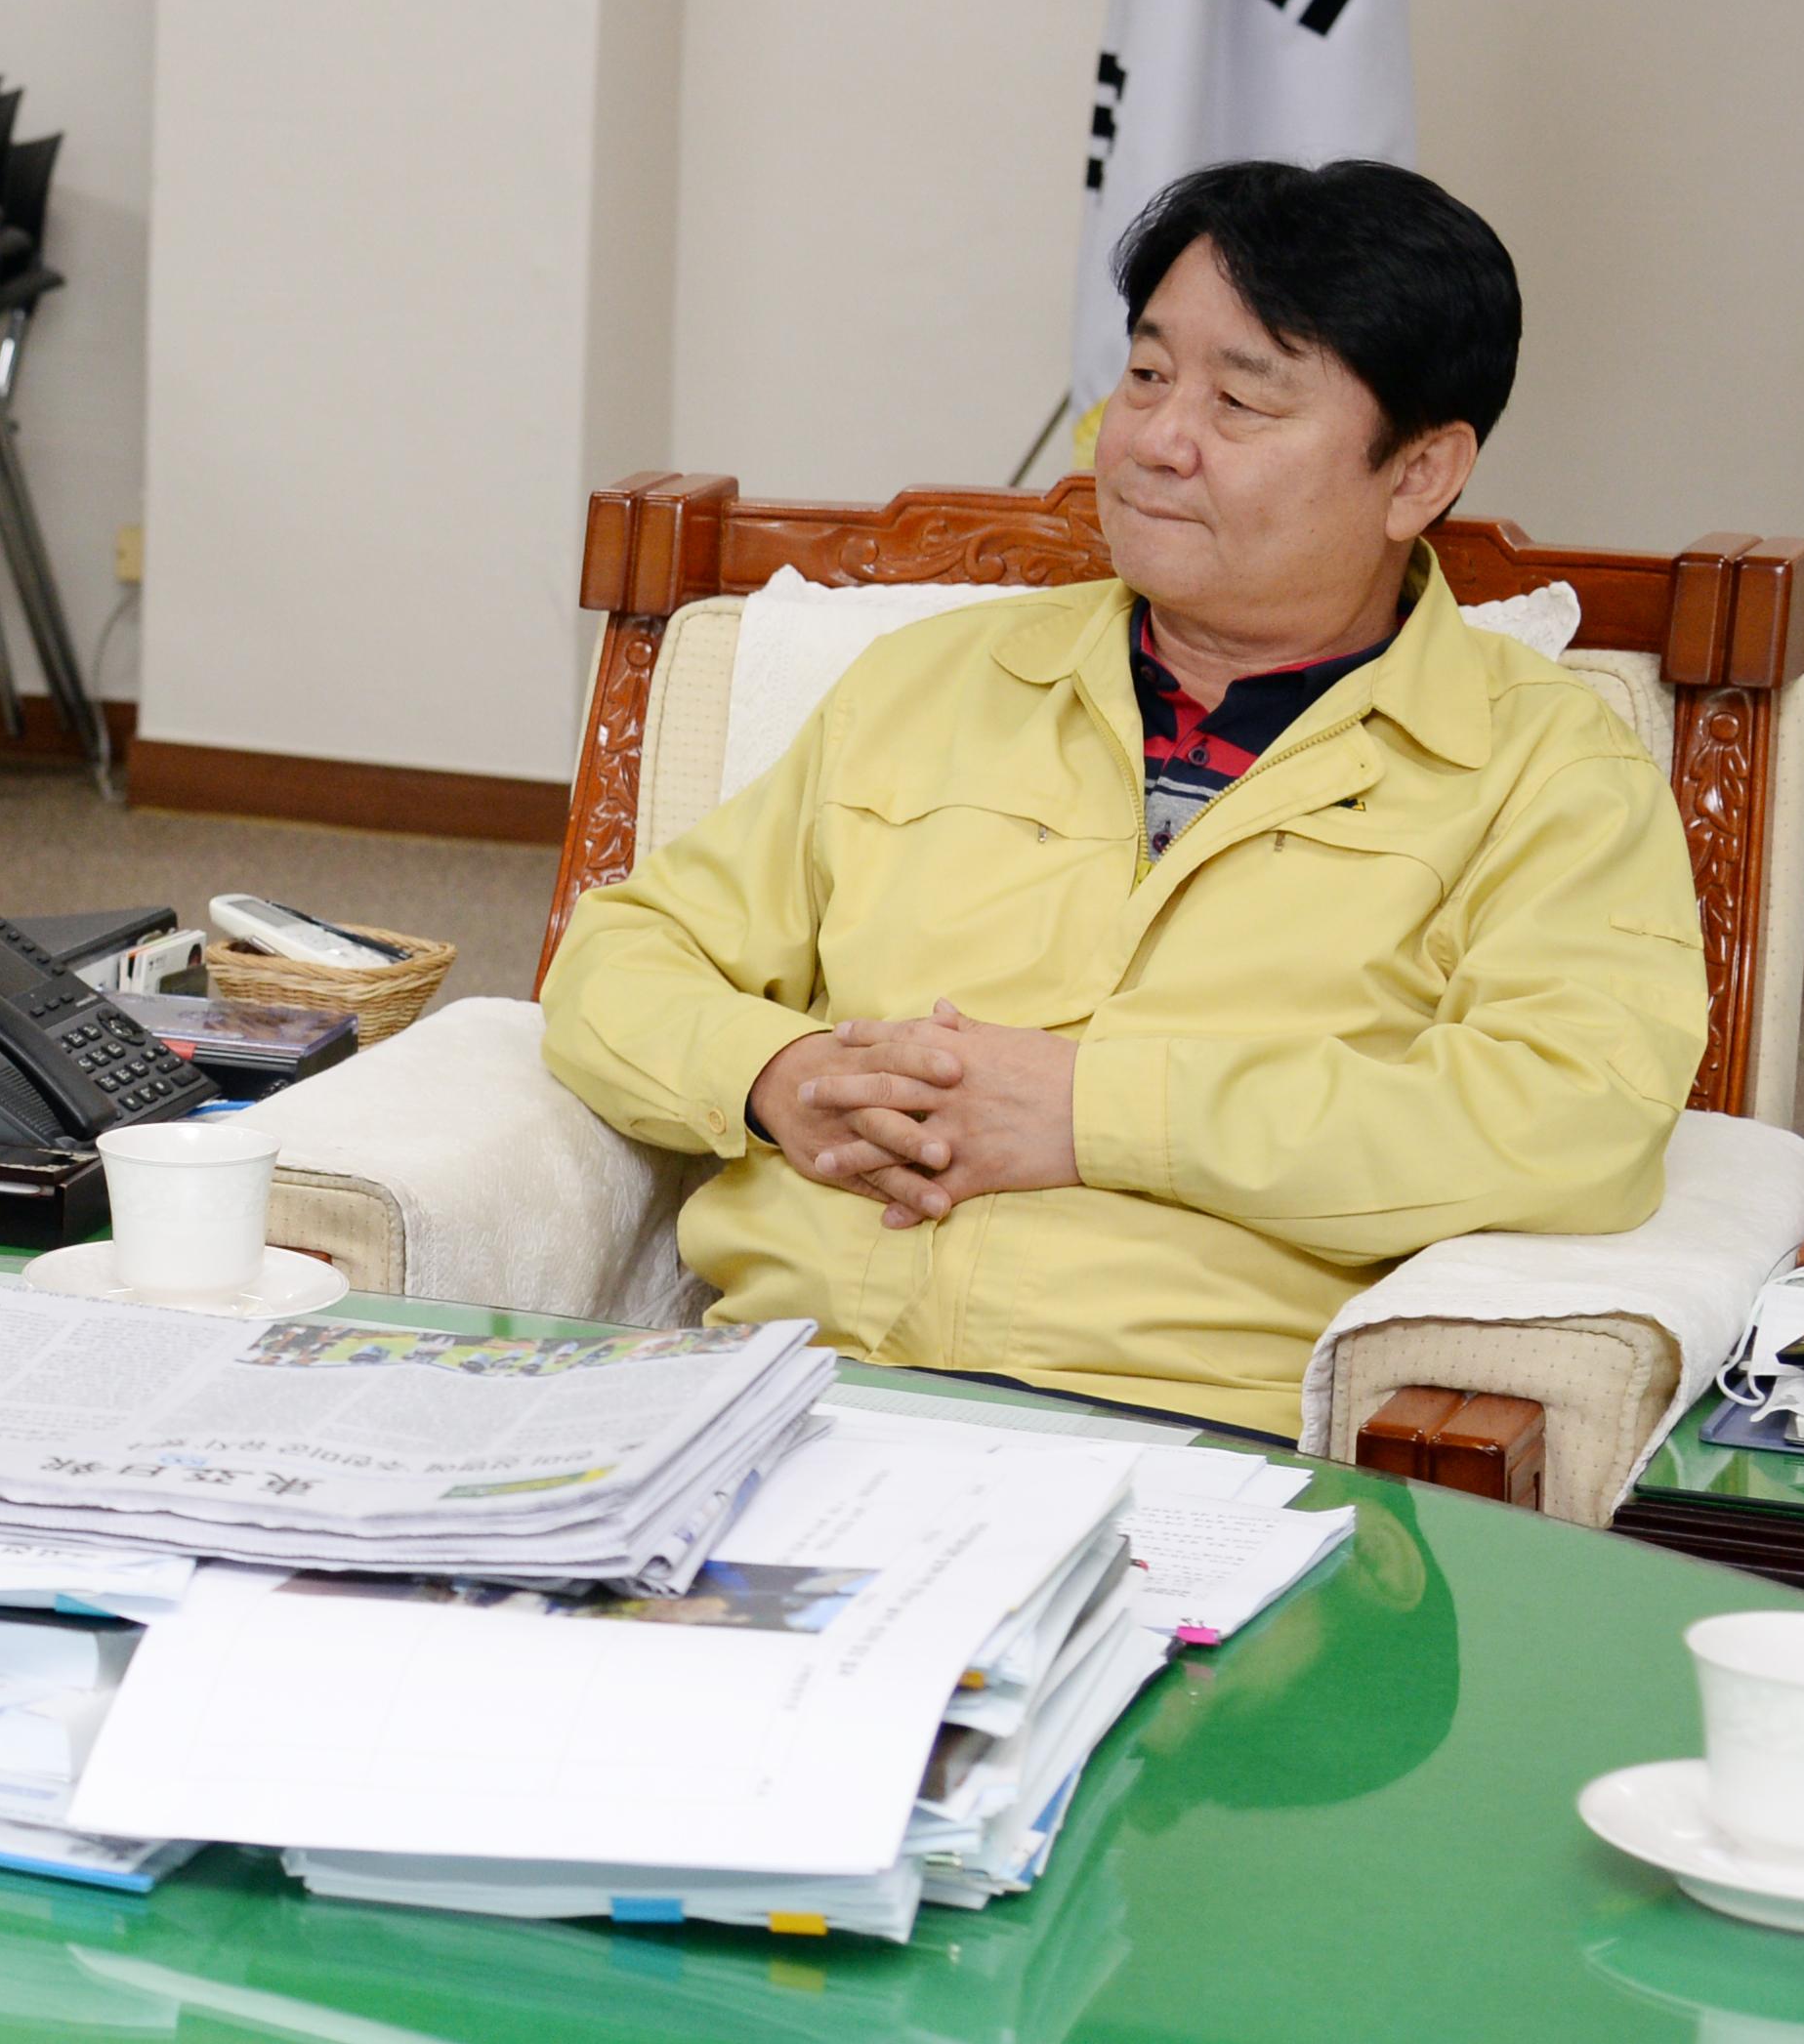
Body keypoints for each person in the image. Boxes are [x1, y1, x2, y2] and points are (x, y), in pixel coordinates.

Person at [539, 158, 1705, 1438]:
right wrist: (776, 1071)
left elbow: (1574, 1116)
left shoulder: (1543, 767)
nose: (1154, 439)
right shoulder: (935, 682)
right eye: (1147, 375)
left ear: (1419, 474)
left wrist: (1101, 1117)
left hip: (1197, 1438)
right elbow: (624, 957)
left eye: (1242, 400)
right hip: (790, 1397)